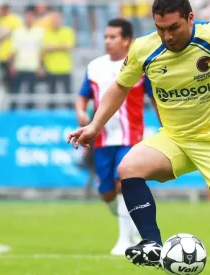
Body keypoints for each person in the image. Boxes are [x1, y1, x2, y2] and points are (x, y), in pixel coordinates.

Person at [67, 0, 210, 273]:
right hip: (174, 138)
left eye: (174, 27)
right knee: (129, 168)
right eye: (160, 28)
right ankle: (151, 244)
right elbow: (120, 86)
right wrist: (95, 125)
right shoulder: (144, 48)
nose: (167, 36)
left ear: (190, 18)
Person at [75, 18, 157, 256]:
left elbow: (154, 98)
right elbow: (83, 95)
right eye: (106, 37)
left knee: (124, 184)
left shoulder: (139, 65)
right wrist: (81, 112)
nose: (107, 41)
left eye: (113, 37)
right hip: (102, 140)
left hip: (130, 137)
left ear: (126, 40)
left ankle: (124, 241)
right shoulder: (95, 66)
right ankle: (131, 226)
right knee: (107, 193)